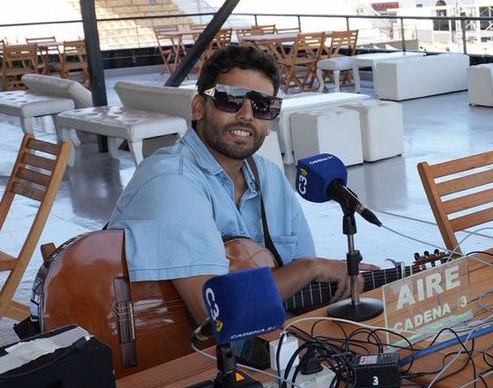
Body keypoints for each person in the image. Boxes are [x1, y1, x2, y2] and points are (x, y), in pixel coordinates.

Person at [108, 46, 366, 325]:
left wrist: (341, 278)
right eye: (231, 100)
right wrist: (310, 268)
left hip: (269, 336)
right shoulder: (171, 180)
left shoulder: (271, 177)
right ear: (198, 107)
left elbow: (303, 285)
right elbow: (213, 313)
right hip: (189, 349)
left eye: (262, 106)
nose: (246, 115)